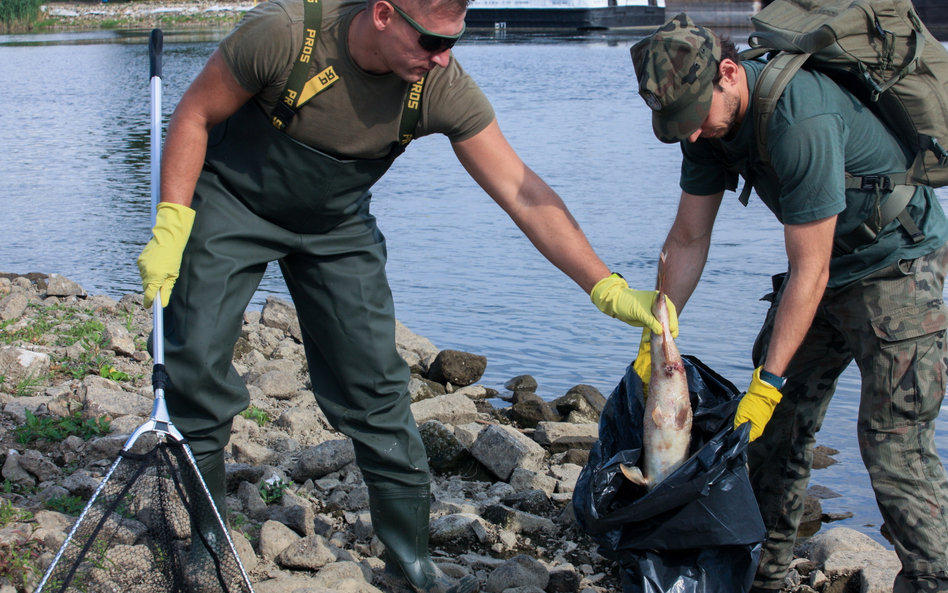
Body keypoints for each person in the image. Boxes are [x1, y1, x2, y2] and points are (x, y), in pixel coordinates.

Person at [136, 0, 677, 591]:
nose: (442, 58)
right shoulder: (284, 36)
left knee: (377, 389)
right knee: (193, 363)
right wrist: (171, 222)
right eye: (429, 42)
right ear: (384, 14)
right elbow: (192, 114)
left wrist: (604, 285)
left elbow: (522, 192)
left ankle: (409, 560)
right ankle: (207, 537)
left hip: (335, 227)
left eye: (453, 42)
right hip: (231, 203)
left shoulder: (439, 85)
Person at [628, 13, 948, 593]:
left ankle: (934, 578)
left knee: (892, 441)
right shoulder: (705, 126)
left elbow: (811, 268)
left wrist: (767, 382)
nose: (691, 134)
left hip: (898, 265)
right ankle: (764, 576)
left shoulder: (799, 118)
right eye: (676, 126)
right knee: (771, 435)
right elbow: (687, 238)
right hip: (824, 265)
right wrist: (657, 338)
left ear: (728, 74)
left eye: (692, 119)